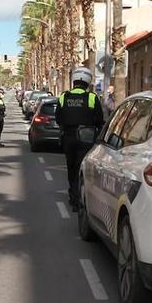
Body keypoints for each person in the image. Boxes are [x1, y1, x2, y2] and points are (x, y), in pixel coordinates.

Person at [56, 66, 105, 211]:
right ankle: (82, 198)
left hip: (68, 137)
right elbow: (99, 119)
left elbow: (58, 118)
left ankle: (74, 198)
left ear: (74, 80)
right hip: (86, 138)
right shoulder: (91, 97)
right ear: (88, 81)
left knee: (71, 167)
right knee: (82, 168)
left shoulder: (64, 96)